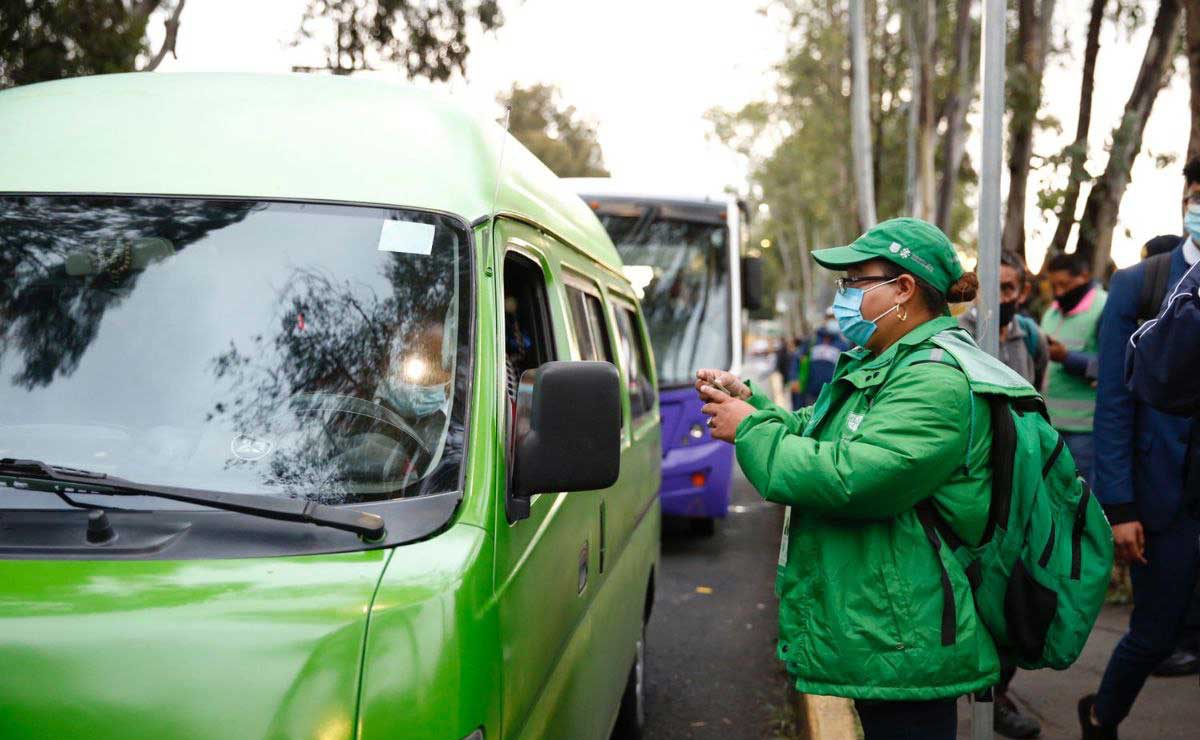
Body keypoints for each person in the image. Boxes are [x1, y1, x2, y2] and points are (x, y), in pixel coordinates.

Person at [696, 218, 1015, 740]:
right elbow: (820, 434)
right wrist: (752, 403)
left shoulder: (933, 379)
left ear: (904, 289)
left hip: (908, 634)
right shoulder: (888, 364)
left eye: (856, 283)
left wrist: (750, 430)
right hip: (887, 625)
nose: (844, 297)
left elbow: (854, 477)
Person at [1079, 161, 1200, 738]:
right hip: (1161, 498)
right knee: (1155, 631)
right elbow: (1113, 404)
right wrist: (1120, 507)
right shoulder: (1141, 284)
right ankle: (1102, 716)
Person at [957, 248, 1046, 739]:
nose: (1003, 299)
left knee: (1011, 594)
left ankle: (998, 694)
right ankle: (961, 683)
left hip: (1019, 487)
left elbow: (1036, 395)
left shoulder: (1029, 336)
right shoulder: (957, 338)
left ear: (1022, 292)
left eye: (1010, 290)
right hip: (969, 487)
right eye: (994, 290)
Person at [1040, 252, 1107, 486]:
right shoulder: (1052, 311)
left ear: (1084, 277)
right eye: (1054, 285)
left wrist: (1067, 357)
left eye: (1064, 285)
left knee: (1080, 497)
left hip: (1084, 429)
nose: (1059, 292)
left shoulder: (1103, 307)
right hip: (1051, 425)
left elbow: (1112, 366)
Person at [792, 308, 849, 409]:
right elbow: (797, 359)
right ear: (825, 320)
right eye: (831, 318)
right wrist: (794, 378)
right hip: (810, 393)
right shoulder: (812, 341)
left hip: (831, 395)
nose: (833, 321)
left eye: (836, 319)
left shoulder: (843, 345)